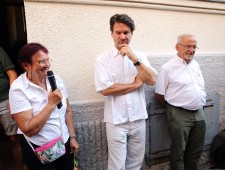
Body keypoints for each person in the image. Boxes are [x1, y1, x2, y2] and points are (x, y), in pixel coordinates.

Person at [95, 14, 157, 170]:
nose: (122, 36)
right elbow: (105, 89)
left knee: (136, 164)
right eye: (118, 32)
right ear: (112, 34)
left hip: (138, 119)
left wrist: (134, 58)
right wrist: (135, 84)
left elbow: (151, 80)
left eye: (126, 32)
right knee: (117, 166)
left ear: (131, 34)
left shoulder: (140, 56)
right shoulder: (103, 59)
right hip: (116, 122)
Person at [9, 43, 79, 170]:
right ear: (26, 65)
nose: (47, 65)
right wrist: (51, 104)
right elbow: (28, 129)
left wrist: (72, 137)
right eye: (41, 62)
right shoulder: (18, 89)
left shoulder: (56, 79)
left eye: (48, 60)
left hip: (64, 143)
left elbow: (67, 111)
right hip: (40, 149)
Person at [155, 34, 206, 170]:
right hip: (179, 114)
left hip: (199, 113)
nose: (191, 49)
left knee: (196, 151)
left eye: (194, 46)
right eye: (187, 46)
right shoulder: (167, 68)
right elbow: (159, 94)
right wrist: (173, 109)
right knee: (178, 153)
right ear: (177, 47)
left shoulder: (195, 64)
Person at [0, 46, 24, 170]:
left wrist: (12, 98)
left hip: (4, 99)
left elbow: (12, 73)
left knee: (15, 137)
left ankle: (20, 167)